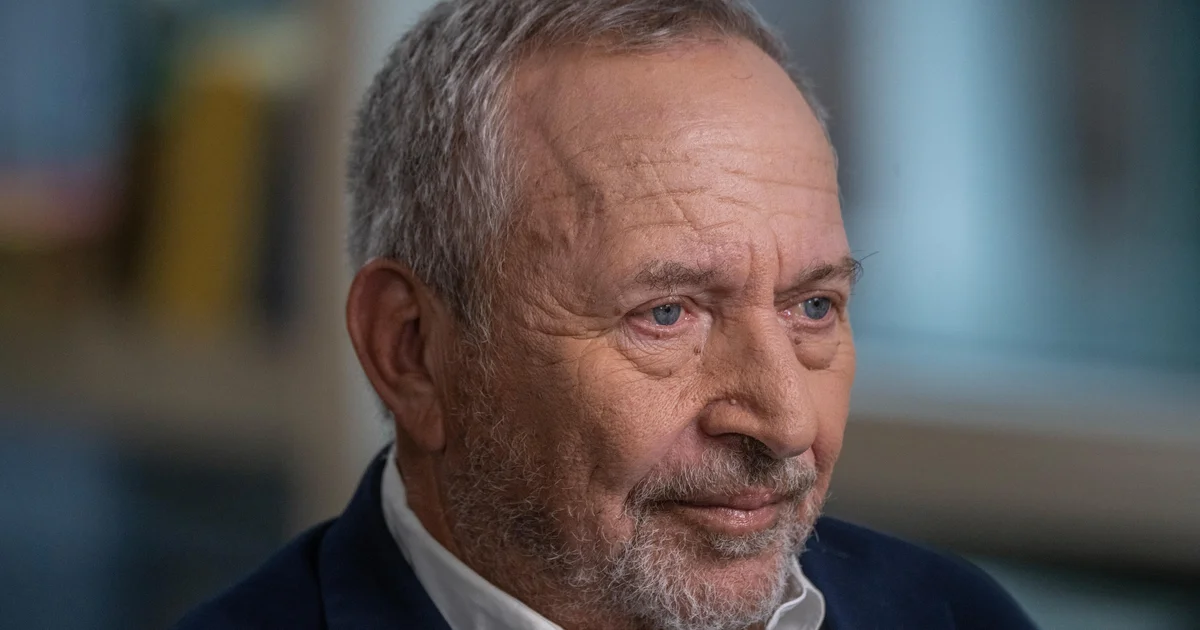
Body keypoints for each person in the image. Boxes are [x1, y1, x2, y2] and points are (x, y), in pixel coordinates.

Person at [176, 1, 1038, 628]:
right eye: (667, 314)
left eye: (813, 306)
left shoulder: (952, 615)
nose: (786, 422)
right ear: (412, 351)